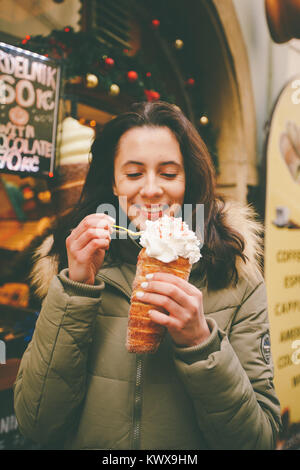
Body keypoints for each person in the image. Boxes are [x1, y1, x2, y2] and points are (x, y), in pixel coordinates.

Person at [14, 101, 281, 450]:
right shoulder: (69, 268)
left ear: (189, 180)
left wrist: (201, 343)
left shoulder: (235, 275)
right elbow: (36, 423)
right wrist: (76, 289)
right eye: (134, 173)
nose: (152, 189)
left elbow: (257, 440)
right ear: (113, 182)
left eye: (169, 174)